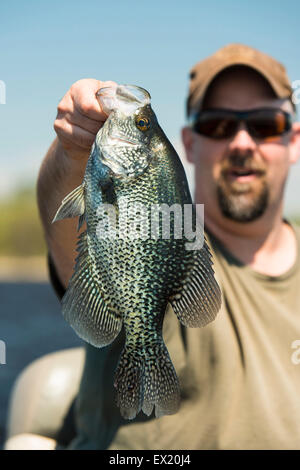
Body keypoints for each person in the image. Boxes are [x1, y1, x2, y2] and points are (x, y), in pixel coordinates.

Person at [32, 43, 300, 449]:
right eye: (219, 126)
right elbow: (70, 249)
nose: (243, 143)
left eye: (265, 124)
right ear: (189, 143)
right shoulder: (177, 230)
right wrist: (70, 154)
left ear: (294, 140)